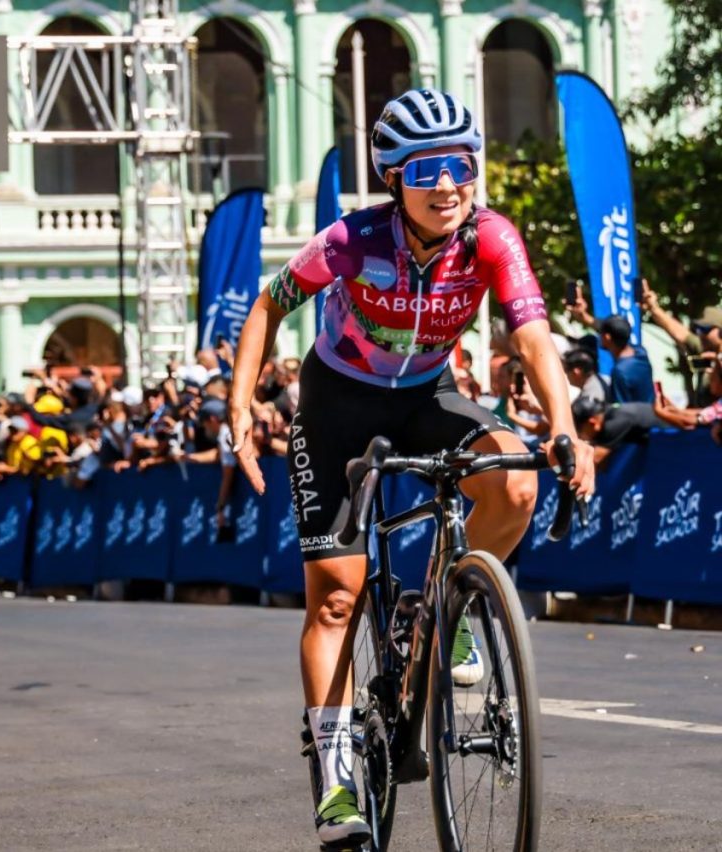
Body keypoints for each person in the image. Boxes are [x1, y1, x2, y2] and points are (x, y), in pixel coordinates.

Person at [227, 88, 595, 847]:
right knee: (337, 596)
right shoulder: (352, 239)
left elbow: (532, 337)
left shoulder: (492, 238)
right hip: (339, 403)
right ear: (394, 179)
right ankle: (336, 784)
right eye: (427, 170)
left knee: (515, 480)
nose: (448, 184)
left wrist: (564, 427)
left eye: (462, 165)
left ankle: (440, 608)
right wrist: (239, 406)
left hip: (429, 391)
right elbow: (268, 305)